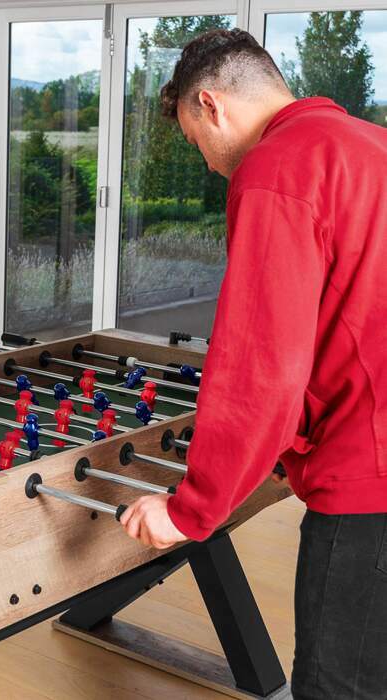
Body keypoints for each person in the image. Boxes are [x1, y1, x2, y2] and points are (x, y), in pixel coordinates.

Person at [119, 29, 387, 699]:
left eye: (193, 141)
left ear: (211, 105)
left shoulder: (277, 169)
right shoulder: (372, 145)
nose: (207, 163)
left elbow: (260, 367)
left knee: (337, 688)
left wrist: (191, 510)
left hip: (367, 476)